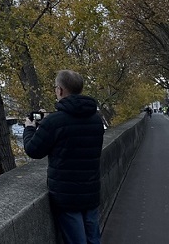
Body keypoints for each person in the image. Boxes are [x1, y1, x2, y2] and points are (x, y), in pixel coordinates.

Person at [23, 70, 105, 244]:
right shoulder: (96, 119)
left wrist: (30, 128)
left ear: (59, 90)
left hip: (67, 196)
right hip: (90, 191)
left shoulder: (55, 122)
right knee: (94, 238)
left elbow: (33, 150)